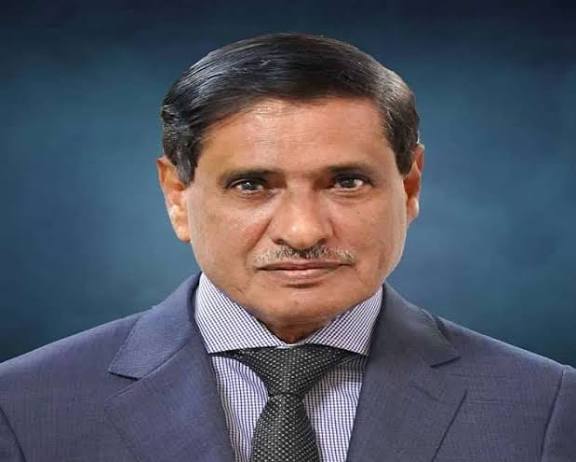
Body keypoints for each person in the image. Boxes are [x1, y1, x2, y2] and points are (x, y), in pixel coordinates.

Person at [0, 33, 574, 462]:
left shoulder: (547, 408)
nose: (303, 232)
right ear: (177, 194)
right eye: (252, 185)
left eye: (346, 181)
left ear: (409, 187)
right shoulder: (22, 407)